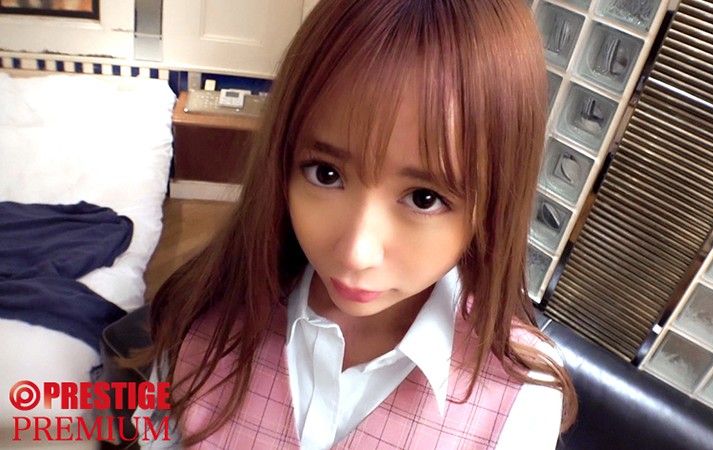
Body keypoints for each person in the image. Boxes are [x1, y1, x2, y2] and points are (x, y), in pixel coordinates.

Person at [136, 0, 577, 448]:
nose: (356, 253)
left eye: (424, 198)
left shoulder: (522, 398)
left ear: (495, 203)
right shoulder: (201, 316)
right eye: (326, 174)